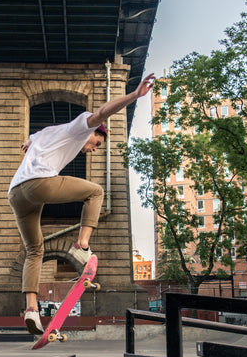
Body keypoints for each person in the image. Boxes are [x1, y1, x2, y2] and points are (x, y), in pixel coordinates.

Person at [8, 73, 155, 334]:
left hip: (16, 194)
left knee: (34, 250)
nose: (95, 148)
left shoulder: (47, 132)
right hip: (38, 183)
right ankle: (81, 245)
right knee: (96, 192)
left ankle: (31, 309)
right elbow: (100, 112)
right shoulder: (79, 128)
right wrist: (134, 96)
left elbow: (32, 137)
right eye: (97, 143)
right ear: (93, 132)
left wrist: (28, 143)